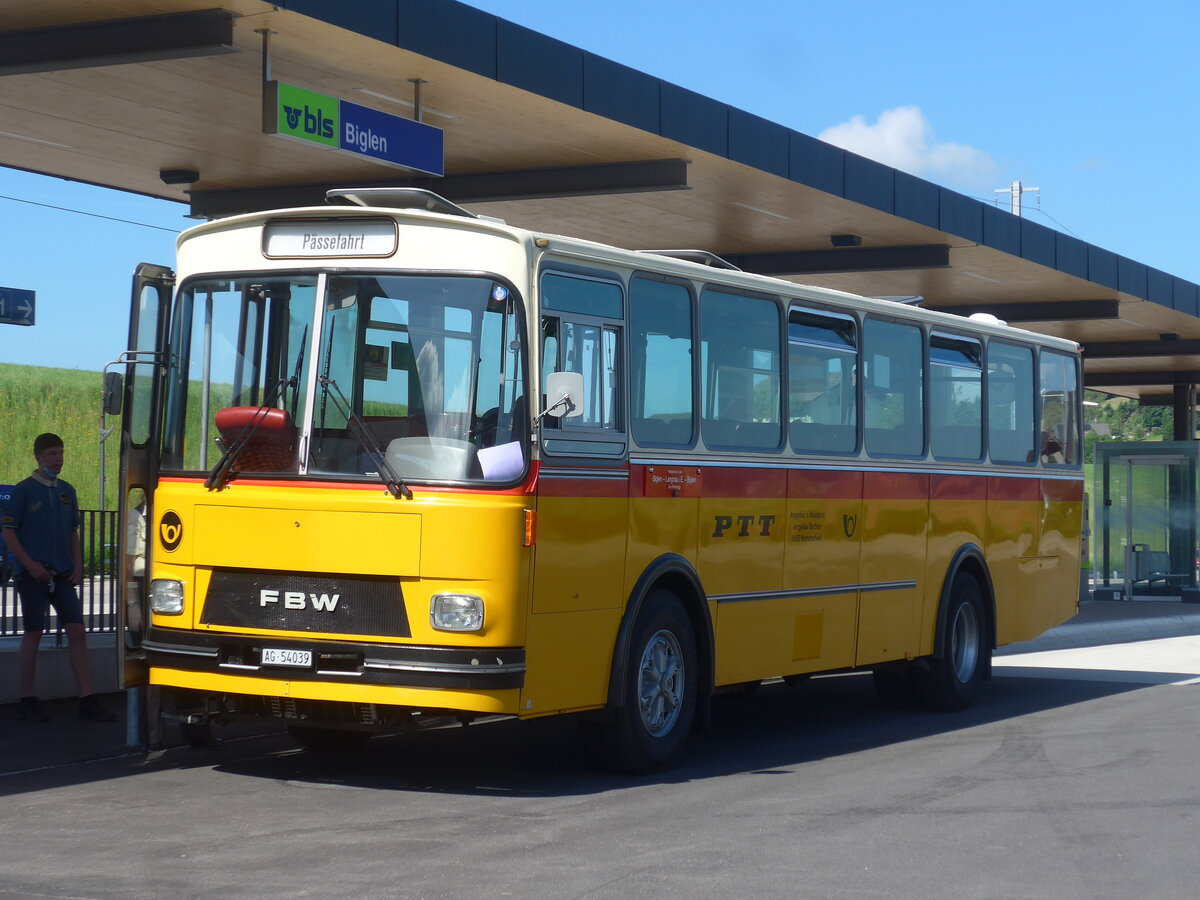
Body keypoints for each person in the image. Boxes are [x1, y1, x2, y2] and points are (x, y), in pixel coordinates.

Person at [1, 433, 115, 723]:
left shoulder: (67, 490)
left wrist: (78, 565)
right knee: (33, 632)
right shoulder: (24, 490)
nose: (58, 459)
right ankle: (28, 699)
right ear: (38, 457)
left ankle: (86, 698)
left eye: (61, 453)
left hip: (63, 573)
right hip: (32, 574)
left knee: (77, 630)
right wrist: (29, 564)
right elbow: (9, 533)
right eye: (52, 454)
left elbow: (72, 532)